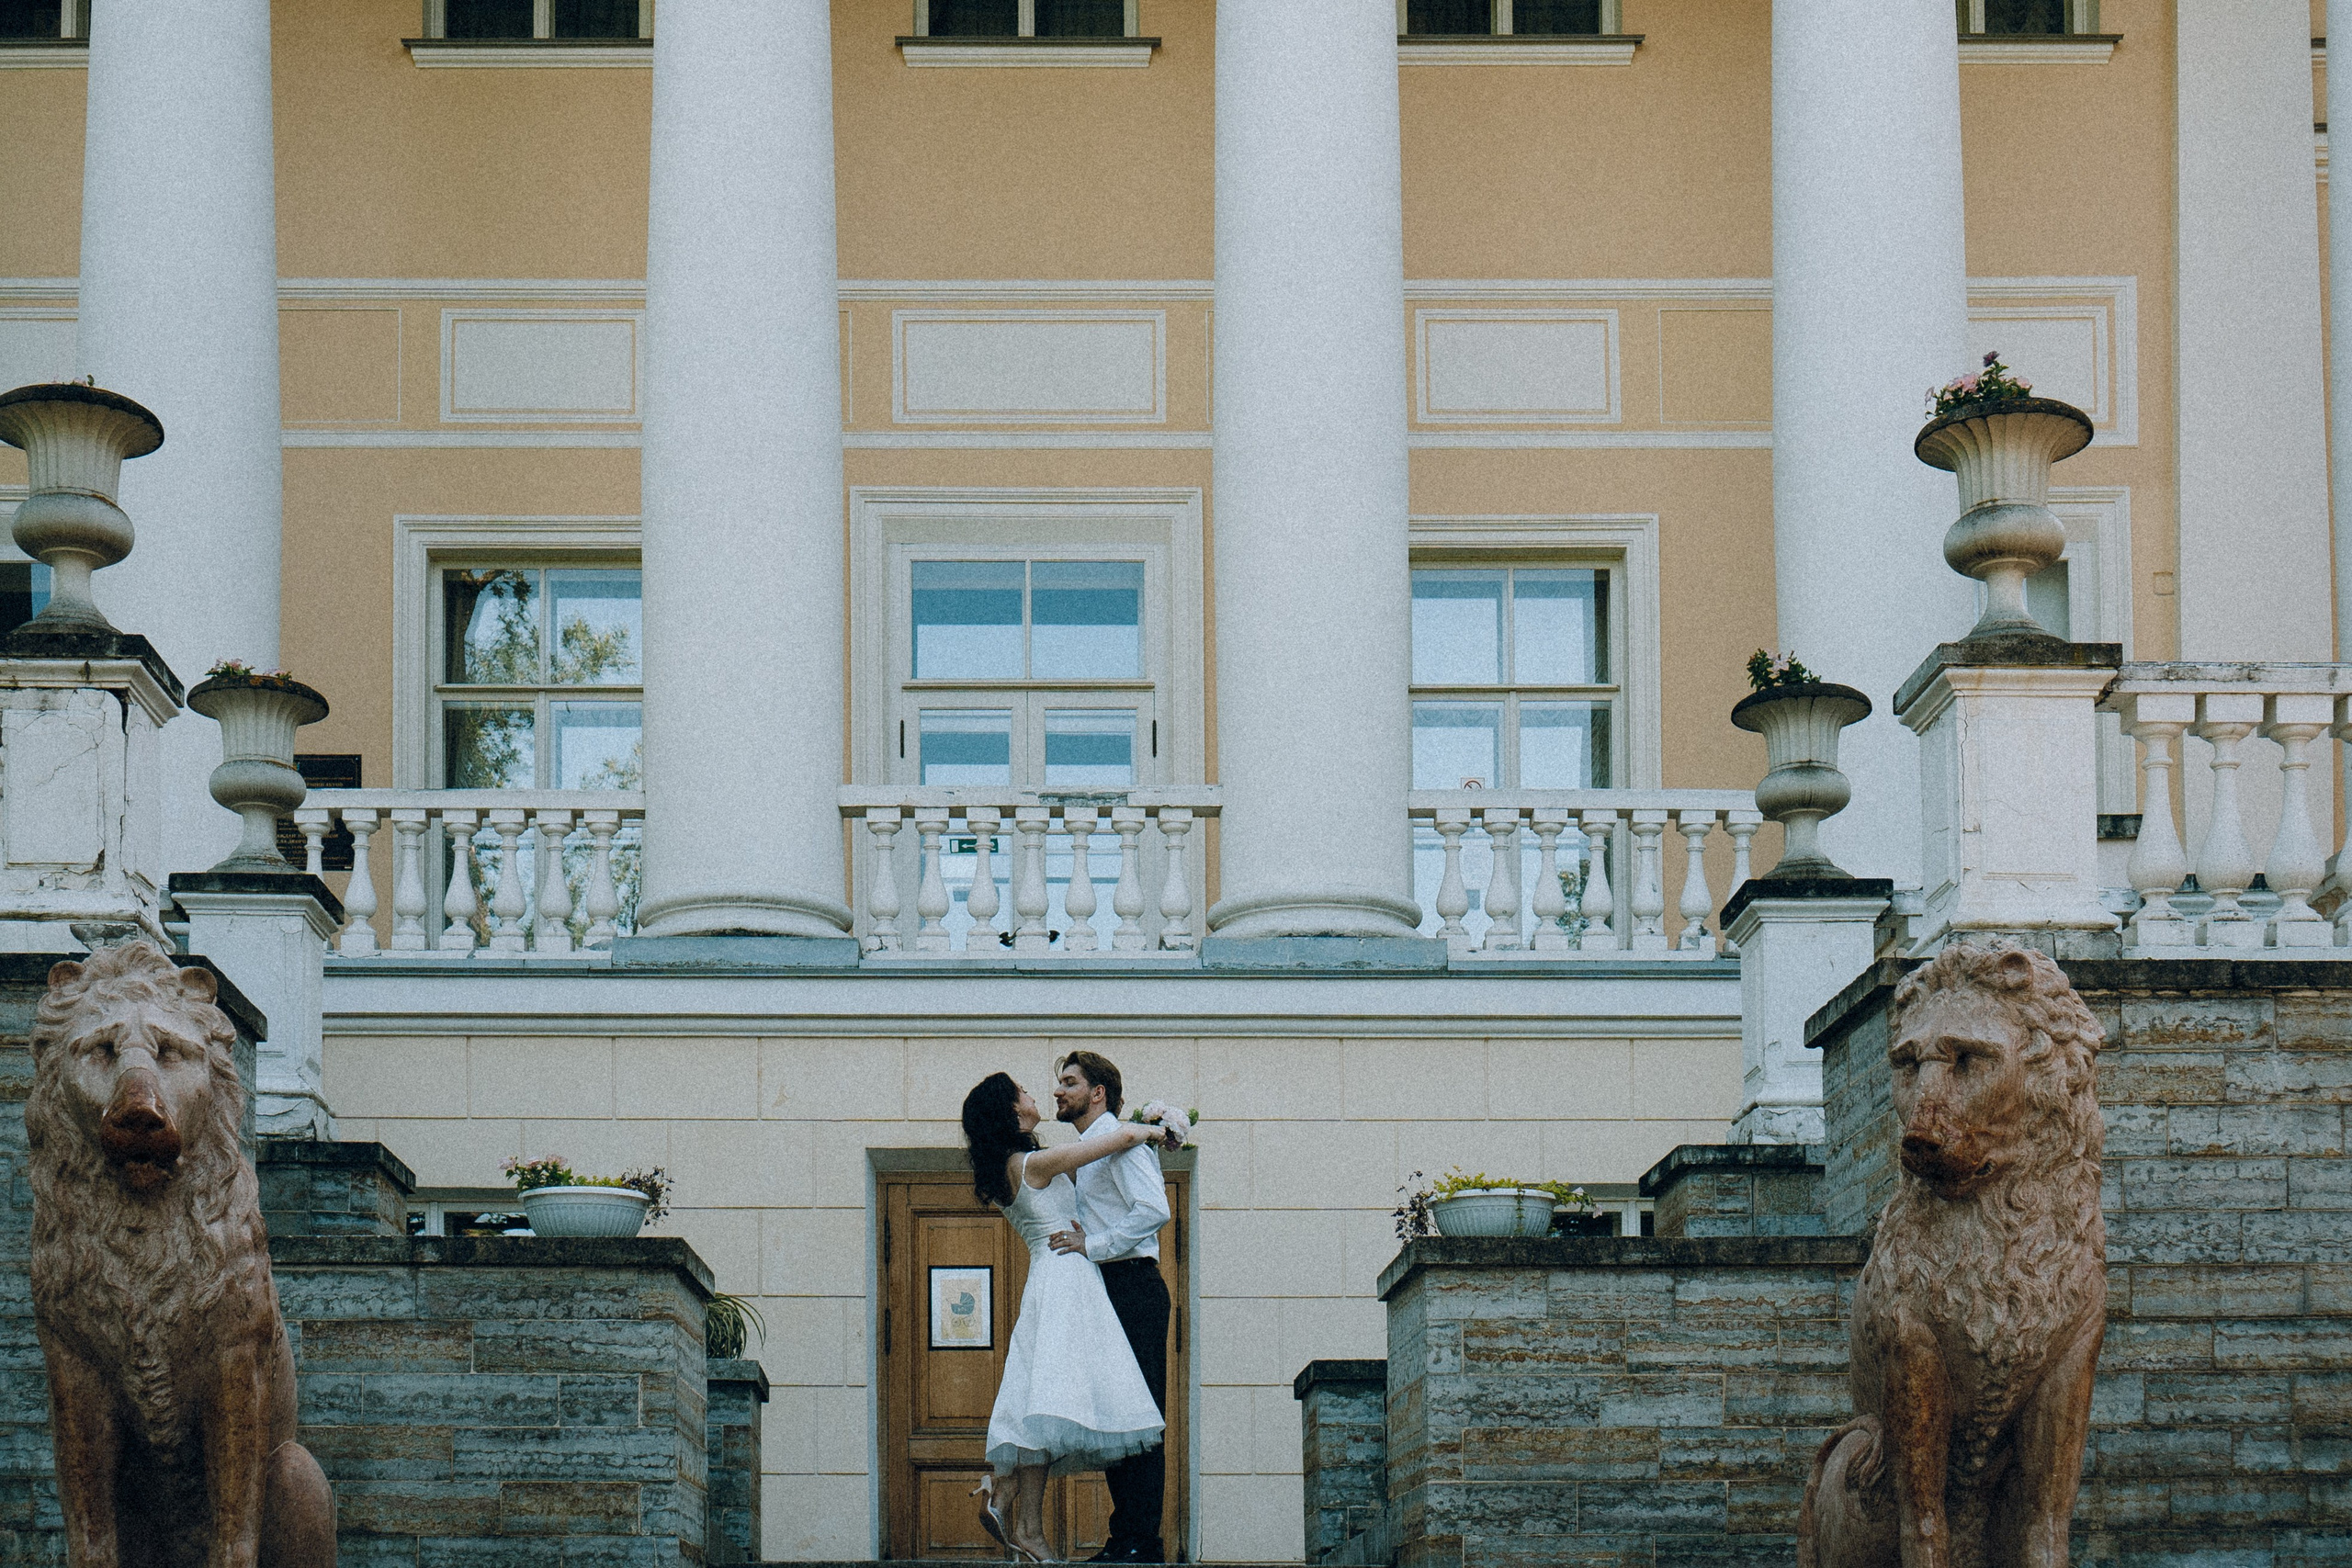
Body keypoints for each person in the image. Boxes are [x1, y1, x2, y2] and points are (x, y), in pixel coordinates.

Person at [960, 1071, 1177, 1563]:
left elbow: (1100, 1175)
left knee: (1046, 1398)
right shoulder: (1031, 1164)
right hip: (1066, 1278)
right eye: (1025, 1092)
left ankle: (1014, 1501)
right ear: (1011, 1111)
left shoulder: (1010, 1167)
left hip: (1050, 1279)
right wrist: (1154, 1127)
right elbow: (1118, 1136)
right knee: (1068, 1397)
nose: (1038, 1095)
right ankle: (1018, 1506)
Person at [1046, 1051, 1173, 1563]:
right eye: (1059, 1083)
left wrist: (1093, 1246)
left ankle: (1142, 1542)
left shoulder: (1122, 1146)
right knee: (1118, 1415)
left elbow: (1154, 1211)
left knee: (1139, 1417)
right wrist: (1089, 1238)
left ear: (1098, 1092)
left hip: (1133, 1287)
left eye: (1069, 1082)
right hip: (1110, 1288)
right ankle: (1127, 1539)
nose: (1059, 1091)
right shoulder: (1093, 1149)